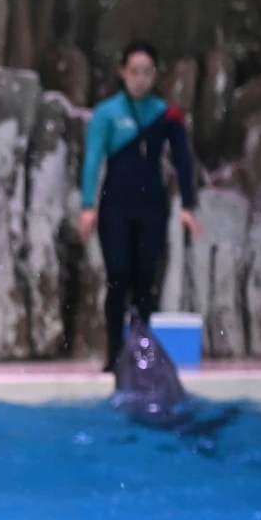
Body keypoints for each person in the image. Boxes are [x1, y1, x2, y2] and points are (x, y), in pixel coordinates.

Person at [80, 40, 199, 373]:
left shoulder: (167, 114)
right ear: (122, 72)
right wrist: (87, 205)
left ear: (155, 74)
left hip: (152, 209)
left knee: (146, 280)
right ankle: (114, 355)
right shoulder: (106, 113)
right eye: (134, 72)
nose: (140, 79)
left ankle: (142, 356)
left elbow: (184, 161)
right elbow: (92, 159)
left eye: (147, 72)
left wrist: (188, 205)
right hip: (115, 207)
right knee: (118, 278)